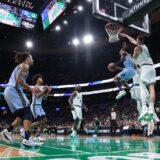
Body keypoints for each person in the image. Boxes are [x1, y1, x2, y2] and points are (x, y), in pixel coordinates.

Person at [1, 51, 40, 147]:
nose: (33, 60)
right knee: (28, 113)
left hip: (10, 91)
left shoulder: (21, 66)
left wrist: (25, 96)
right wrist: (31, 89)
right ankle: (26, 139)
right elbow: (19, 80)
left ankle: (8, 131)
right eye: (32, 57)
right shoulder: (25, 66)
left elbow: (19, 82)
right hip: (13, 90)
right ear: (27, 58)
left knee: (21, 115)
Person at [121, 34, 156, 122]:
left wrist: (128, 55)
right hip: (152, 67)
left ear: (138, 40)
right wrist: (126, 36)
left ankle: (144, 108)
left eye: (136, 41)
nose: (135, 42)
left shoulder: (137, 48)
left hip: (144, 68)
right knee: (151, 89)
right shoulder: (145, 46)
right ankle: (151, 109)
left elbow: (134, 60)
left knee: (142, 85)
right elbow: (133, 40)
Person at [20, 74, 51, 142]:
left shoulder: (41, 88)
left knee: (44, 121)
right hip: (35, 105)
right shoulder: (36, 87)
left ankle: (38, 136)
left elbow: (45, 98)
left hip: (40, 106)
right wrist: (44, 90)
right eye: (40, 78)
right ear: (37, 80)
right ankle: (24, 129)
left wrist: (48, 91)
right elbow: (37, 96)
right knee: (39, 121)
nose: (42, 79)